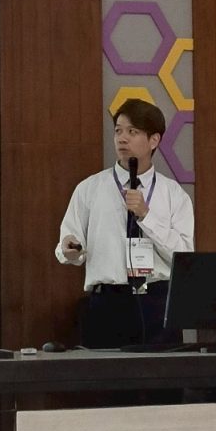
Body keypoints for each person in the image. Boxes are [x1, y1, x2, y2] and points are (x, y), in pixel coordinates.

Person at [55, 98, 194, 348]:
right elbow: (68, 243)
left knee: (163, 373)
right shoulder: (90, 188)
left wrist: (146, 216)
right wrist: (69, 249)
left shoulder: (174, 194)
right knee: (107, 373)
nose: (122, 139)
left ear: (154, 140)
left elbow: (184, 256)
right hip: (108, 304)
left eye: (132, 131)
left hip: (158, 303)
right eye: (118, 131)